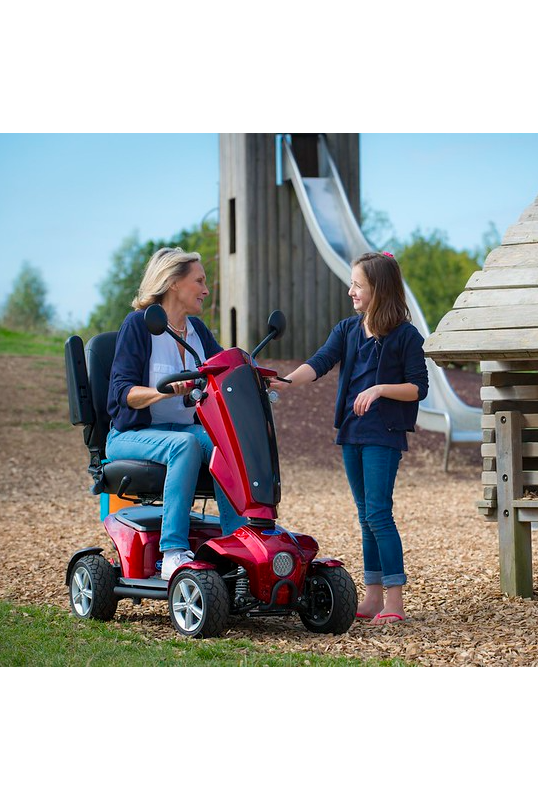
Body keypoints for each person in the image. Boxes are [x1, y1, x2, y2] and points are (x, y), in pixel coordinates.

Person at [271, 252, 428, 626]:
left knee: (378, 514)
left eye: (358, 285)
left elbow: (418, 388)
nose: (351, 291)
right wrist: (285, 381)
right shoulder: (346, 330)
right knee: (365, 516)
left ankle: (395, 601)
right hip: (352, 432)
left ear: (379, 289)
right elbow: (320, 362)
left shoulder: (406, 336)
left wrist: (379, 389)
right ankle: (373, 597)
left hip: (383, 435)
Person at [106, 247, 249, 580]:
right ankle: (173, 552)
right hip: (131, 435)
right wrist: (165, 390)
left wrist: (254, 375)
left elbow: (224, 371)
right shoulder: (139, 325)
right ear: (173, 283)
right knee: (185, 445)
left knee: (227, 441)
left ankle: (238, 542)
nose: (206, 290)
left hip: (181, 430)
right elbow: (122, 394)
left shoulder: (197, 330)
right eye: (199, 281)